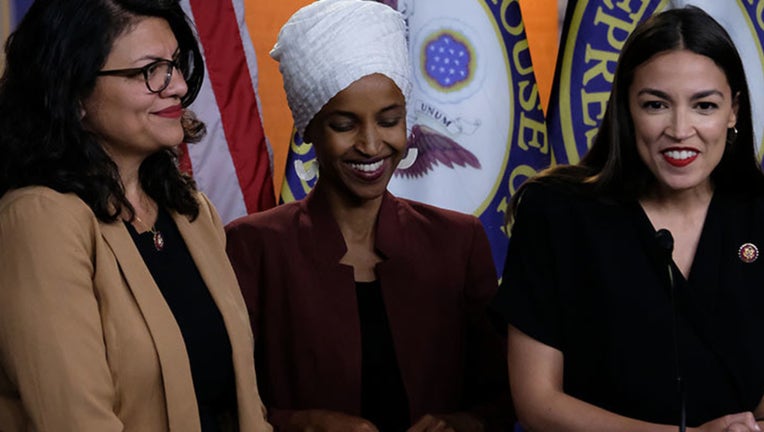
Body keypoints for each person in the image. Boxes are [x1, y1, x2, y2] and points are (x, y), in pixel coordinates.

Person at [225, 1, 510, 431]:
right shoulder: (252, 245)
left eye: (389, 120)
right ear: (310, 130)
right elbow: (218, 403)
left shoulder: (458, 240)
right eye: (344, 125)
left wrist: (462, 424)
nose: (372, 144)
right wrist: (305, 424)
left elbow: (504, 397)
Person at [0, 0, 271, 431]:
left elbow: (244, 408)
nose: (179, 85)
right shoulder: (39, 219)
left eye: (176, 65)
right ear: (73, 95)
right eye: (150, 71)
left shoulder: (191, 210)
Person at [494, 6, 764, 432]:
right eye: (656, 104)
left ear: (733, 111)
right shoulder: (556, 212)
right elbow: (537, 402)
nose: (679, 129)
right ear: (626, 108)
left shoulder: (757, 211)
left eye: (704, 106)